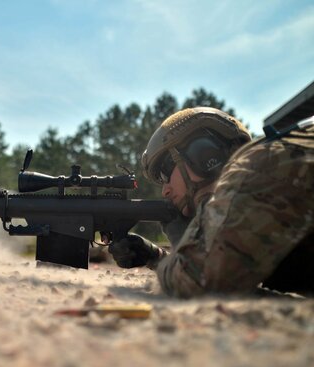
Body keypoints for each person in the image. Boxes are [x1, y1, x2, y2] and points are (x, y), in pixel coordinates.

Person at [108, 107, 314, 297]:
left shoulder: (258, 168)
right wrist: (156, 257)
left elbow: (199, 283)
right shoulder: (271, 163)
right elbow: (228, 270)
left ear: (204, 155)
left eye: (165, 174)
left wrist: (180, 240)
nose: (165, 190)